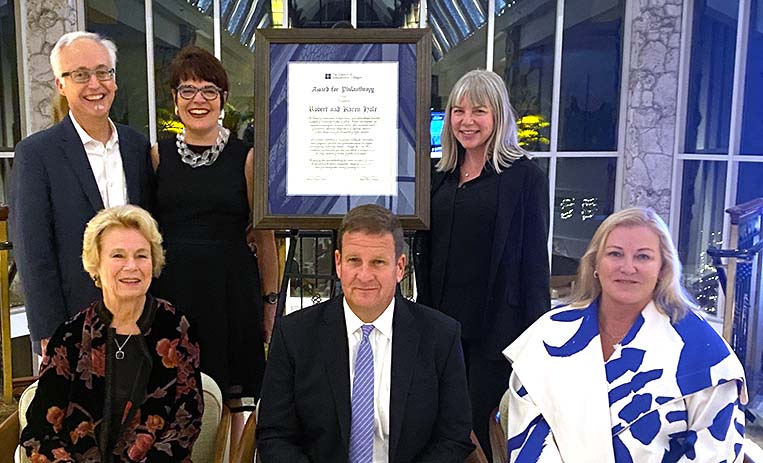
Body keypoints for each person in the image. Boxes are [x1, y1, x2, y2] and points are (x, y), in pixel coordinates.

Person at [503, 207, 747, 462]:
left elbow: (717, 451)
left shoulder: (702, 348)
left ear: (663, 268)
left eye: (643, 257)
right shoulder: (549, 334)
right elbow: (528, 436)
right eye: (615, 254)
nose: (627, 267)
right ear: (595, 264)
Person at [257, 204, 475, 462]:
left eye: (378, 262)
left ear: (400, 267)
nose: (364, 275)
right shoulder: (294, 335)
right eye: (354, 261)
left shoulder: (441, 336)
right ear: (338, 263)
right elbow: (274, 435)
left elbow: (453, 436)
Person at [413, 69, 550, 456]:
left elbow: (534, 267)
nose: (466, 121)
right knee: (437, 425)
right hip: (440, 327)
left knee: (474, 430)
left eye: (479, 111)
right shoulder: (438, 177)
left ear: (499, 116)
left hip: (496, 332)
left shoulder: (525, 179)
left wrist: (537, 346)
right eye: (458, 111)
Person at [149, 45, 278, 448]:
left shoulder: (248, 158)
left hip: (230, 293)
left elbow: (265, 237)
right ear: (174, 100)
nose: (198, 100)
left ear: (223, 99)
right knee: (173, 392)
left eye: (208, 90)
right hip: (172, 296)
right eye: (187, 91)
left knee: (236, 400)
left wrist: (270, 302)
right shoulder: (157, 156)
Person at [20, 205, 203, 463]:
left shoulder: (176, 329)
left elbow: (186, 425)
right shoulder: (70, 337)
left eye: (141, 255)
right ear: (95, 263)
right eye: (118, 255)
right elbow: (39, 431)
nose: (132, 266)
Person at [9, 31, 153, 356]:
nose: (95, 85)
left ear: (114, 80)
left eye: (104, 72)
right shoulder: (37, 155)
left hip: (138, 318)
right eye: (81, 75)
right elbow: (33, 251)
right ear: (61, 85)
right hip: (73, 324)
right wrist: (49, 331)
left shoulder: (136, 147)